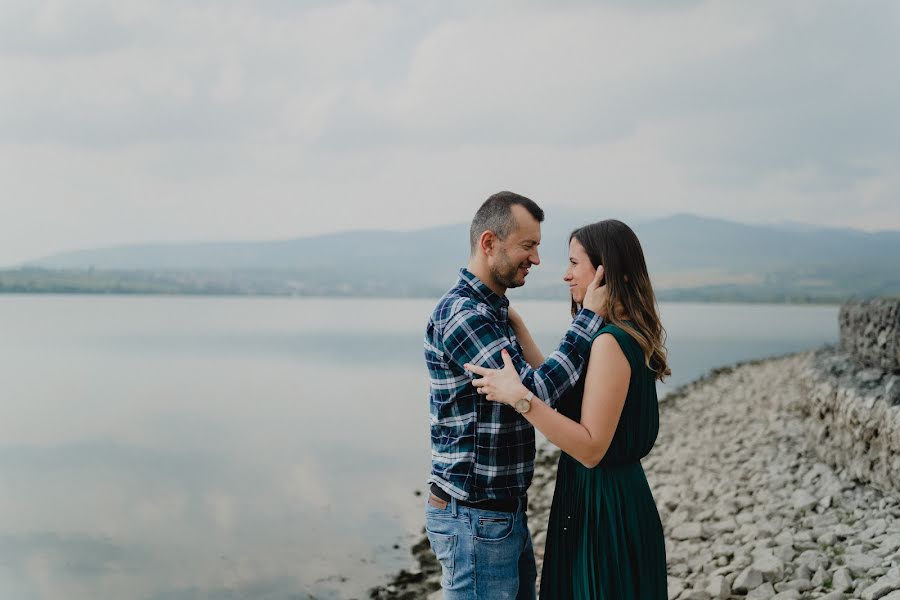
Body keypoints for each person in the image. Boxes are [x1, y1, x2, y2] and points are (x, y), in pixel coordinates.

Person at [465, 219, 670, 599]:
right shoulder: (624, 333)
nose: (565, 275)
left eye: (575, 263)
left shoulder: (610, 343)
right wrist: (520, 329)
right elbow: (567, 397)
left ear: (605, 271)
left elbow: (591, 449)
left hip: (601, 506)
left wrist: (520, 400)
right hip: (614, 498)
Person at [424, 192, 608, 599]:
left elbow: (528, 389)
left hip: (498, 514)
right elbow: (534, 395)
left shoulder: (494, 312)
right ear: (490, 243)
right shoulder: (464, 317)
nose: (537, 259)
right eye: (529, 245)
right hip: (475, 518)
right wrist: (589, 321)